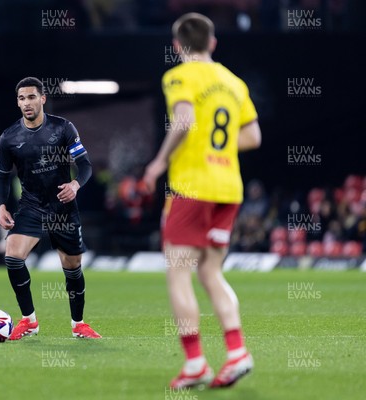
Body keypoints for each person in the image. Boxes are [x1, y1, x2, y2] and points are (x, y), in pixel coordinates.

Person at [143, 13, 262, 389]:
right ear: (212, 43)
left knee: (179, 274)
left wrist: (159, 163)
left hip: (192, 187)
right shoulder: (234, 82)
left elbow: (184, 118)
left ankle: (195, 362)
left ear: (177, 46)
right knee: (211, 272)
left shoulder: (179, 76)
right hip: (229, 189)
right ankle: (237, 351)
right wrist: (219, 144)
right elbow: (253, 137)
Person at [0, 77, 101, 340]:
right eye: (21, 98)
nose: (26, 103)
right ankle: (28, 320)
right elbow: (2, 175)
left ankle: (79, 324)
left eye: (31, 97)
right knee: (13, 256)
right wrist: (1, 206)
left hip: (63, 207)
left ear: (42, 99)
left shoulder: (63, 128)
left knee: (72, 266)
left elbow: (85, 165)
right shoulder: (9, 138)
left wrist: (75, 185)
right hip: (31, 206)